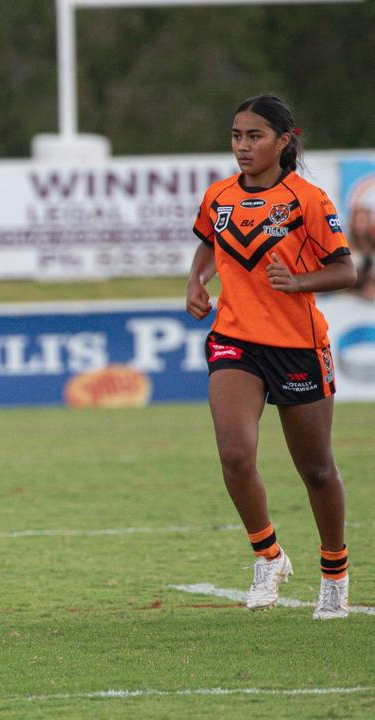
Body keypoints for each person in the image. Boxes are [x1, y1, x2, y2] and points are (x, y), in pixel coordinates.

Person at [186, 94, 357, 620]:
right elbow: (211, 243)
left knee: (318, 471)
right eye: (237, 135)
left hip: (298, 347)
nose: (242, 146)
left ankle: (334, 572)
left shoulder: (308, 199)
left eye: (254, 136)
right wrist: (196, 281)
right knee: (235, 454)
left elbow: (347, 270)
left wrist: (299, 281)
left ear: (284, 142)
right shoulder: (218, 196)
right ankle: (269, 556)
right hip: (235, 340)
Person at [348, 205, 375, 301]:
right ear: (353, 222)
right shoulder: (345, 246)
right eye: (358, 221)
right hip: (351, 300)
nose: (361, 225)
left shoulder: (372, 245)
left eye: (363, 221)